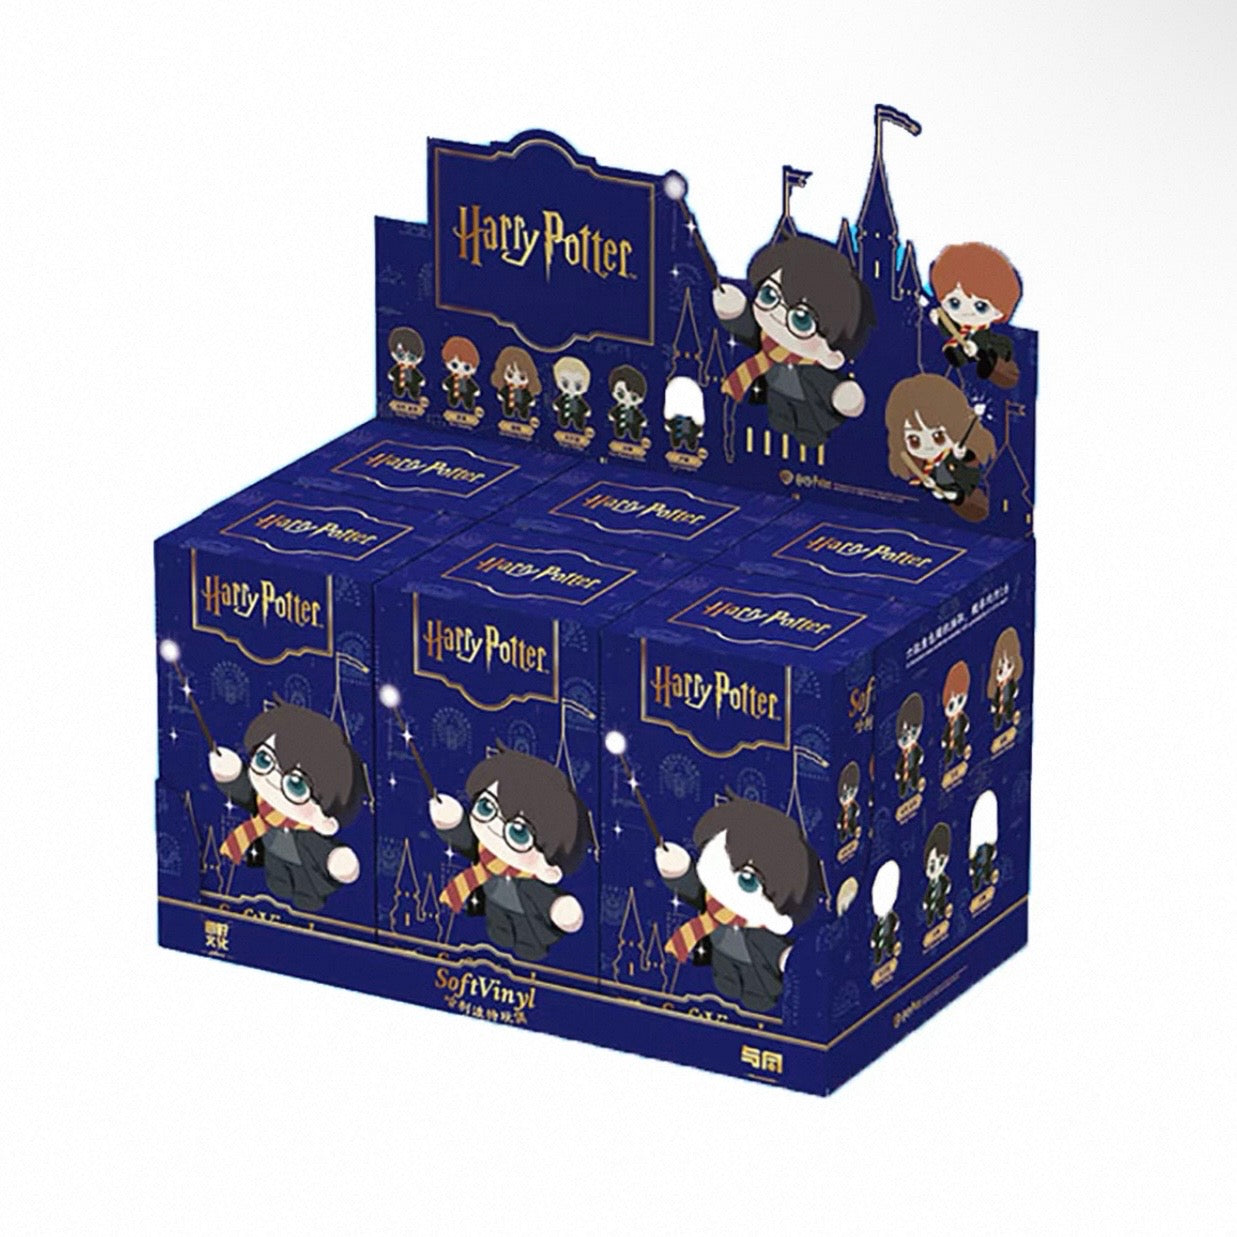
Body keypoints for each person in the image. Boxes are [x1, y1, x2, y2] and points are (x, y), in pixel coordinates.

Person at [655, 794, 822, 1013]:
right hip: (722, 955)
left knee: (757, 994)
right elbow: (694, 890)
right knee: (725, 977)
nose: (723, 885)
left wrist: (786, 958)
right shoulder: (714, 905)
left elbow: (775, 950)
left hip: (756, 968)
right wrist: (680, 870)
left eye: (747, 881)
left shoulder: (760, 929)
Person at [431, 744, 590, 962]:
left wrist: (560, 908)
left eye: (518, 833)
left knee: (528, 940)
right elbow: (466, 840)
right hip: (493, 903)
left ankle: (529, 953)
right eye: (486, 808)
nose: (493, 829)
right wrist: (452, 821)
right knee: (497, 927)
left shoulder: (531, 881)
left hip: (526, 912)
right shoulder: (485, 856)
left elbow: (545, 899)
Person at [714, 235, 875, 448]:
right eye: (769, 295)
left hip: (807, 405)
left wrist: (842, 396)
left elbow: (828, 387)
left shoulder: (814, 369)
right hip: (773, 398)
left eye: (801, 320)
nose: (777, 315)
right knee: (772, 420)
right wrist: (735, 310)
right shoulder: (766, 343)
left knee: (808, 433)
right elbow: (747, 328)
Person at [210, 701, 365, 912]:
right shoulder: (263, 807)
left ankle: (307, 901)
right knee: (276, 876)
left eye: (296, 785)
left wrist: (336, 860)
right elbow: (245, 791)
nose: (272, 781)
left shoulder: (308, 831)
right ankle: (278, 885)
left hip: (303, 862)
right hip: (273, 851)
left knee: (306, 890)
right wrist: (232, 774)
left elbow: (322, 851)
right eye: (264, 761)